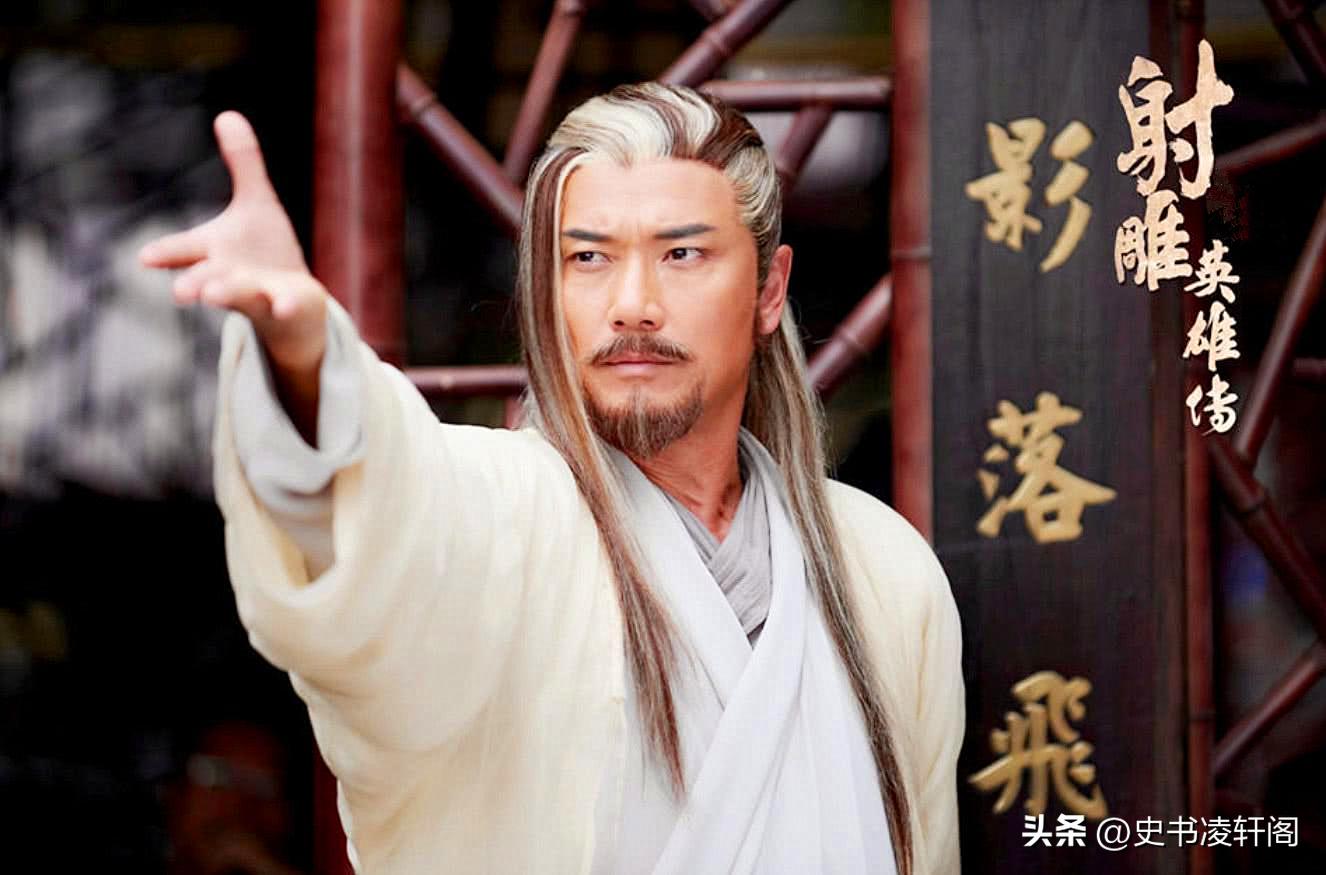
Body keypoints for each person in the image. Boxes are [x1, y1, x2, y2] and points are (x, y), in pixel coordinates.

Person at [140, 82, 964, 875]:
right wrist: (304, 358)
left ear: (769, 289)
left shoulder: (883, 572)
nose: (633, 303)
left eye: (681, 253)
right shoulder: (506, 521)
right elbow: (391, 506)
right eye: (589, 258)